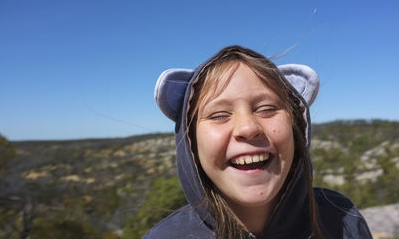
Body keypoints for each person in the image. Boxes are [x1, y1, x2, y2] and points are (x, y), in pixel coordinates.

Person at [146, 45, 372, 238]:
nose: (248, 127)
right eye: (218, 115)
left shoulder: (342, 218)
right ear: (191, 142)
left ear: (296, 127)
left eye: (266, 109)